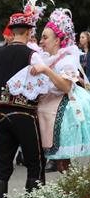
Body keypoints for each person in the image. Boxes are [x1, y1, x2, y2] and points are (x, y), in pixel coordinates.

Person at [0, 12, 46, 198]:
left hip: (1, 113)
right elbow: (44, 82)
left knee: (2, 166)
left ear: (11, 32)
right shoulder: (33, 54)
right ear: (30, 32)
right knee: (35, 163)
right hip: (24, 115)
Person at [30, 9, 90, 172]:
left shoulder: (67, 59)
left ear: (58, 40)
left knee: (63, 163)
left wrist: (45, 70)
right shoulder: (48, 57)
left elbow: (66, 86)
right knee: (59, 163)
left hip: (66, 112)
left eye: (45, 37)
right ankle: (70, 194)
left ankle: (75, 195)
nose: (41, 41)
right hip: (51, 109)